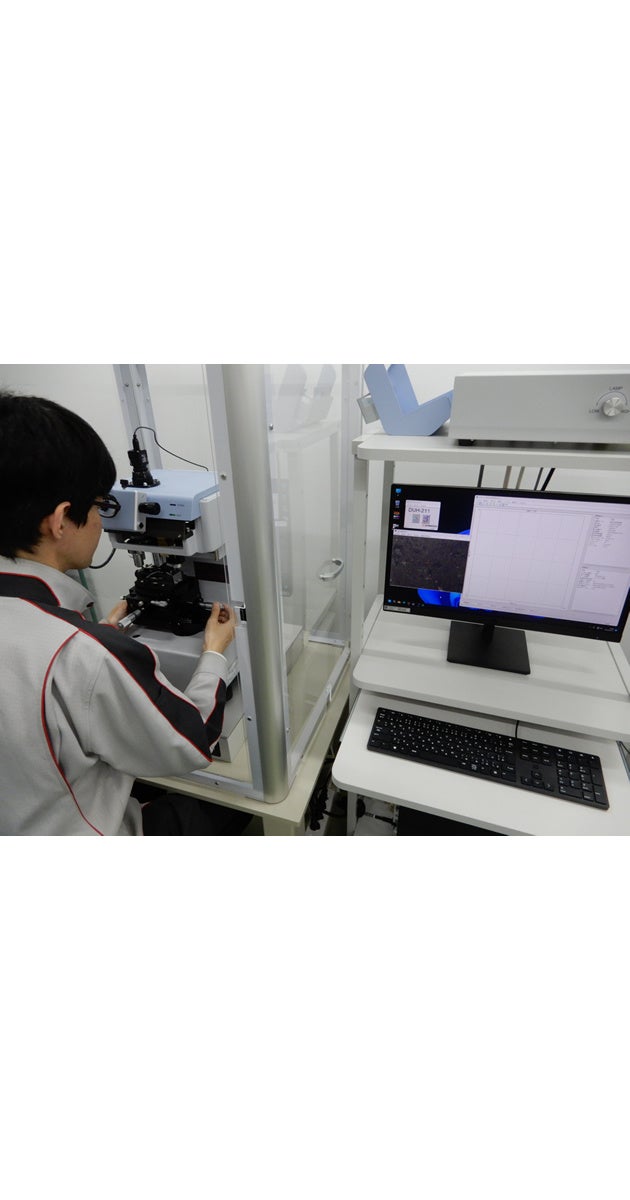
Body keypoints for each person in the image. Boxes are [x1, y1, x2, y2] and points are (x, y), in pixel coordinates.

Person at [0, 388, 245, 836]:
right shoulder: (82, 655)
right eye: (99, 507)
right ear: (61, 519)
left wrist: (91, 637)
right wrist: (214, 652)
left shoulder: (75, 647)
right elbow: (191, 740)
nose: (101, 522)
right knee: (223, 809)